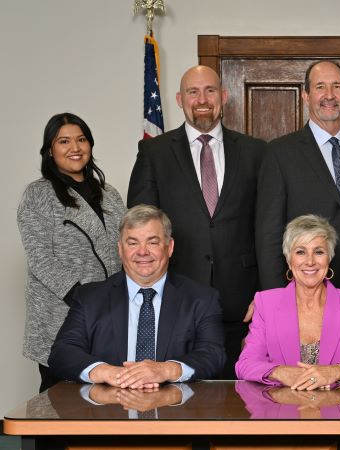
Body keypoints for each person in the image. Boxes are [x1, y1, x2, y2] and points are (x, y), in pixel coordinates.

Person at [128, 65, 268, 378]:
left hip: (242, 303)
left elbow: (268, 227)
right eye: (193, 92)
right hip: (177, 300)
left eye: (209, 91)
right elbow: (140, 229)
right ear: (179, 99)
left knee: (241, 403)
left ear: (224, 96)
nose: (201, 99)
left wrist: (266, 295)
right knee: (182, 405)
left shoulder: (256, 152)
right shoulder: (154, 152)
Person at [257, 60, 340, 340]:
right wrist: (274, 302)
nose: (329, 95)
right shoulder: (280, 153)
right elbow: (269, 234)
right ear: (306, 95)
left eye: (337, 86)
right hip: (305, 297)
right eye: (320, 87)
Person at [48, 205, 226, 387]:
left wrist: (165, 370)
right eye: (132, 243)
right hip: (108, 407)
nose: (142, 251)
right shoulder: (89, 298)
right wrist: (107, 372)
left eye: (152, 242)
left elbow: (213, 354)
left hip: (176, 408)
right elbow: (62, 353)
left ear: (169, 247)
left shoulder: (202, 299)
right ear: (120, 248)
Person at [18, 112, 127, 392]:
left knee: (108, 397)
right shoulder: (38, 194)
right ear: (50, 151)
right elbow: (41, 259)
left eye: (81, 139)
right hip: (62, 314)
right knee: (58, 403)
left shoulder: (109, 194)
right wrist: (84, 298)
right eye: (64, 141)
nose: (74, 148)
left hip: (112, 313)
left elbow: (126, 246)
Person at [237, 215, 340, 388]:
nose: (310, 261)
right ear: (289, 261)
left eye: (319, 252)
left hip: (337, 409)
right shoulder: (266, 303)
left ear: (329, 258)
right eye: (300, 252)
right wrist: (280, 372)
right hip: (280, 408)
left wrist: (336, 371)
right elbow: (245, 365)